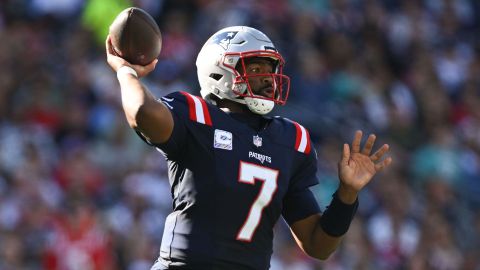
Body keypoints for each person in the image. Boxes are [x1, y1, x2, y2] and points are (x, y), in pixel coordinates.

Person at [106, 26, 392, 270]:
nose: (267, 79)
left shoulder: (291, 140)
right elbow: (142, 111)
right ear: (219, 72)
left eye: (270, 69)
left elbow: (318, 246)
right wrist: (126, 72)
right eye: (255, 68)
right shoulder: (197, 115)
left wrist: (347, 194)